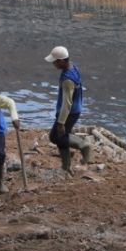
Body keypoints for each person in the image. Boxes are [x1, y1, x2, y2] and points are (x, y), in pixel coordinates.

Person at [46, 46, 91, 174]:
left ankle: (83, 145)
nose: (53, 64)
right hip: (75, 110)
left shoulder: (67, 80)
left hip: (69, 113)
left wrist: (61, 122)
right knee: (61, 137)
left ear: (61, 61)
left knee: (55, 136)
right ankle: (66, 167)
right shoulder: (73, 67)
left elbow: (67, 103)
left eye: (55, 61)